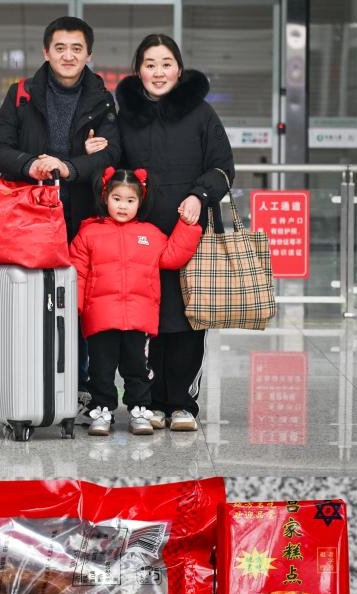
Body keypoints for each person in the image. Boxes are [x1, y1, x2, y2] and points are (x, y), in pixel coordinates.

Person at [0, 16, 121, 405]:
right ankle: (26, 380)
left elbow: (113, 152)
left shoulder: (102, 98)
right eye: (60, 47)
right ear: (46, 52)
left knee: (78, 298)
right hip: (29, 214)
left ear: (88, 55)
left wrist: (71, 167)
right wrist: (31, 164)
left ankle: (77, 386)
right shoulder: (21, 94)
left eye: (77, 48)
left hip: (82, 212)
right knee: (29, 297)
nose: (68, 55)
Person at [113, 34, 235, 431]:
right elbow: (115, 171)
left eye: (166, 63)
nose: (158, 71)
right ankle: (149, 401)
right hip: (141, 236)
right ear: (138, 70)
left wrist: (200, 195)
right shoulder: (124, 116)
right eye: (150, 64)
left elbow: (223, 167)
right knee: (149, 318)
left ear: (179, 70)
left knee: (187, 318)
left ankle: (181, 402)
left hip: (190, 231)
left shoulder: (200, 114)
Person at [69, 168, 201, 437]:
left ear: (140, 202)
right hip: (100, 317)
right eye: (117, 198)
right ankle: (102, 409)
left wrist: (188, 226)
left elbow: (172, 257)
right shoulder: (89, 233)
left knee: (137, 368)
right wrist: (75, 308)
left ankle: (139, 409)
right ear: (105, 197)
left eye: (130, 200)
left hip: (138, 318)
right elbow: (78, 272)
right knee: (100, 368)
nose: (123, 206)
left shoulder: (150, 234)